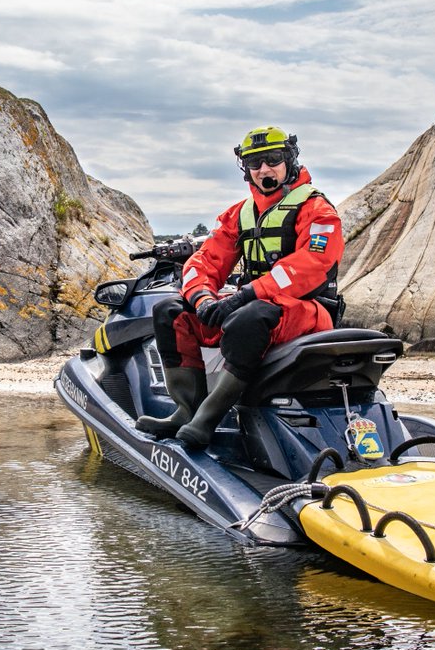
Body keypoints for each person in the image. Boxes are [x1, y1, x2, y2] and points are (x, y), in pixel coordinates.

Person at [136, 126, 344, 450]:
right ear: (245, 168)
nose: (264, 169)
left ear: (289, 159)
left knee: (250, 317)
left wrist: (248, 294)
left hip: (309, 311)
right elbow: (203, 262)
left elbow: (311, 266)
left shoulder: (317, 210)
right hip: (259, 306)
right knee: (170, 311)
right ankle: (184, 411)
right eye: (255, 163)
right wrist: (203, 298)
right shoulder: (239, 214)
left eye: (273, 159)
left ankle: (206, 420)